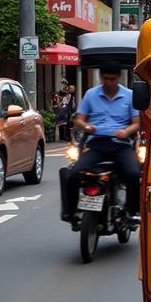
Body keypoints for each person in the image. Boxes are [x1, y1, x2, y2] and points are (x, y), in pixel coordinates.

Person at [59, 64, 141, 228]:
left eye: (112, 79)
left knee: (134, 174)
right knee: (72, 173)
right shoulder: (91, 94)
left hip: (121, 145)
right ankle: (71, 212)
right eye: (105, 79)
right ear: (101, 77)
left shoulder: (129, 95)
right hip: (97, 144)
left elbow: (137, 124)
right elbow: (79, 119)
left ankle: (132, 212)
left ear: (118, 78)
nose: (109, 82)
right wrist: (86, 127)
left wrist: (125, 132)